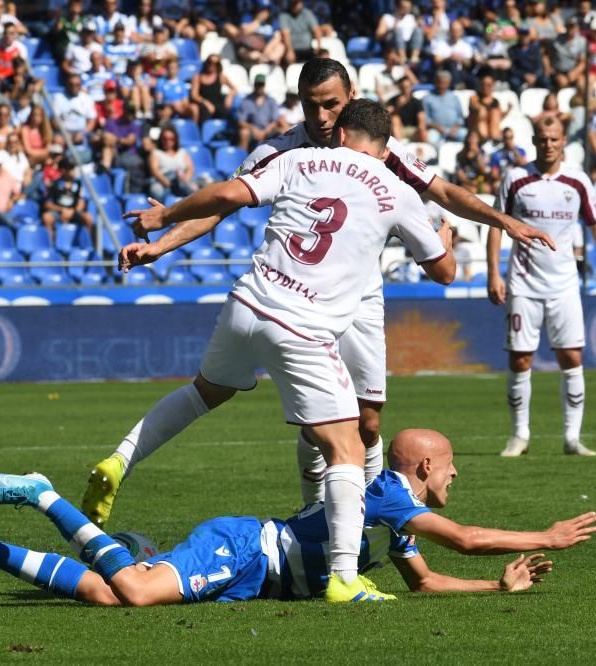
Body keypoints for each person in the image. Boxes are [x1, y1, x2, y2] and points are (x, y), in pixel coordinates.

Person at [84, 58, 553, 538]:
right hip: (304, 299)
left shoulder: (382, 152)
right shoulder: (282, 149)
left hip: (360, 296)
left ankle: (371, 522)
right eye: (312, 106)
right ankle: (323, 526)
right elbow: (222, 204)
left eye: (332, 104)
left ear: (350, 97)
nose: (323, 116)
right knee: (328, 424)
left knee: (367, 422)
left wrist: (504, 220)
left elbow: (443, 191)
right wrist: (161, 245)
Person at [85, 100, 455, 603]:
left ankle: (119, 459)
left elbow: (224, 194)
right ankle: (345, 576)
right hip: (301, 326)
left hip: (246, 303)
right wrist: (445, 238)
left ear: (342, 133)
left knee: (203, 393)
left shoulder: (297, 159)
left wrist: (163, 216)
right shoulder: (395, 188)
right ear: (384, 145)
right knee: (347, 446)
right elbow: (444, 272)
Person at [0, 429, 596, 604]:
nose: (457, 474)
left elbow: (423, 582)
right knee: (133, 590)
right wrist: (545, 536)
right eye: (451, 465)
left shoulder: (388, 515)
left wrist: (497, 589)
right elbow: (465, 538)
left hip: (253, 574)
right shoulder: (388, 489)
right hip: (246, 548)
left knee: (103, 591)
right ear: (424, 468)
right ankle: (42, 493)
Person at [486, 116, 596, 458]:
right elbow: (495, 224)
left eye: (554, 139)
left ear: (563, 141)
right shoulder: (516, 178)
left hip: (564, 283)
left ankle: (572, 437)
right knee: (521, 359)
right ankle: (519, 435)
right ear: (534, 142)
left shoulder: (577, 181)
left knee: (571, 356)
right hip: (523, 283)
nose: (548, 144)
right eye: (542, 139)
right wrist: (494, 272)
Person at [41, 158, 92, 243]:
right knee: (47, 217)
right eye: (70, 168)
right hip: (58, 211)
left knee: (88, 218)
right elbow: (47, 204)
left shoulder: (78, 183)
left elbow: (81, 201)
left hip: (73, 211)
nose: (72, 171)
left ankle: (87, 243)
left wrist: (73, 212)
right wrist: (62, 210)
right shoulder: (55, 184)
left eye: (73, 168)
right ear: (63, 170)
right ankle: (50, 244)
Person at [422, 71, 465, 147]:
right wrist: (438, 127)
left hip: (454, 130)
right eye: (439, 82)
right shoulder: (427, 98)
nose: (442, 86)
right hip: (436, 130)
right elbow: (426, 119)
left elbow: (460, 117)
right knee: (431, 139)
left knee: (466, 135)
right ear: (435, 82)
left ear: (449, 83)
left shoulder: (454, 97)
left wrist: (455, 128)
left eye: (445, 83)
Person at [237, 75, 280, 150]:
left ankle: (280, 157)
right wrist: (253, 128)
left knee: (281, 131)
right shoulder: (246, 101)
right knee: (243, 133)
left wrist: (266, 131)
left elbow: (275, 120)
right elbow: (241, 121)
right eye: (257, 84)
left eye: (261, 85)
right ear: (254, 85)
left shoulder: (271, 101)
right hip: (252, 130)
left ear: (264, 85)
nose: (259, 87)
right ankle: (242, 158)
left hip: (268, 130)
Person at [279, 0, 321, 66]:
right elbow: (285, 34)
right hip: (293, 49)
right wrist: (289, 51)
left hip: (308, 49)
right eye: (293, 4)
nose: (295, 6)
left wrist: (319, 46)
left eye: (297, 3)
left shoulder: (308, 13)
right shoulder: (284, 15)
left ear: (301, 2)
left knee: (321, 60)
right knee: (289, 59)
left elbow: (316, 30)